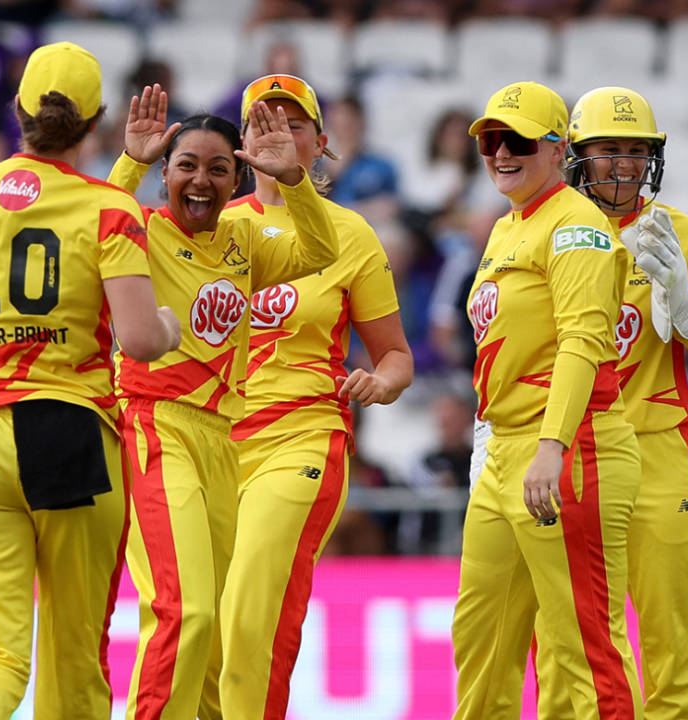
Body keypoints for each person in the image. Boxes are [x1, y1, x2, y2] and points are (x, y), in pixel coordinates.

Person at [0, 42, 180, 719]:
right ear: (95, 122)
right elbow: (141, 340)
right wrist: (171, 324)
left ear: (19, 110)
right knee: (73, 651)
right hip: (67, 431)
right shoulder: (110, 208)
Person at [105, 84, 339, 720]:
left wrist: (292, 180)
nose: (201, 181)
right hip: (154, 426)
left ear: (239, 176)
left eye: (218, 168)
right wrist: (129, 160)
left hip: (221, 442)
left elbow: (320, 251)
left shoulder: (245, 243)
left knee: (213, 638)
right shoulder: (139, 232)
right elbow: (92, 221)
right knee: (188, 612)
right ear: (165, 174)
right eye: (186, 166)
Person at [535, 84, 688, 720]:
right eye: (606, 150)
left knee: (672, 639)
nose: (622, 164)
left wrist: (683, 301)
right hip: (578, 448)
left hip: (657, 448)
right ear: (576, 155)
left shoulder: (676, 231)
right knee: (567, 641)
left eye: (635, 150)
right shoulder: (550, 224)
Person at [219, 72, 413, 718]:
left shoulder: (349, 234)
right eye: (260, 122)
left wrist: (379, 383)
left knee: (250, 607)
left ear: (320, 142)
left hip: (302, 435)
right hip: (210, 442)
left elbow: (397, 357)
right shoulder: (210, 225)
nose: (275, 133)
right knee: (205, 618)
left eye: (292, 124)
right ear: (242, 140)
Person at [452, 80, 642, 719]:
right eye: (490, 140)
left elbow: (583, 342)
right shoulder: (509, 225)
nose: (500, 152)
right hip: (507, 447)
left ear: (559, 149)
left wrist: (550, 445)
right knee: (482, 637)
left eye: (518, 140)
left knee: (581, 646)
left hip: (568, 447)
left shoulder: (576, 225)